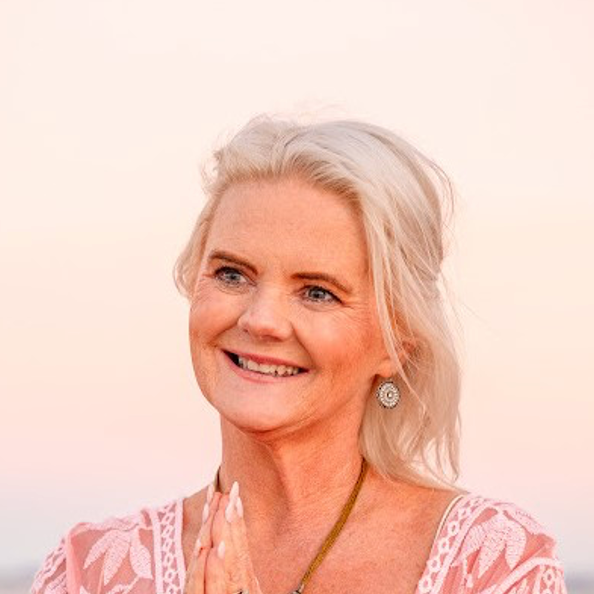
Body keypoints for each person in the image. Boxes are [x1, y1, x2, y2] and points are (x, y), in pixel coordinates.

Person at [31, 117, 567, 594]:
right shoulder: (90, 572)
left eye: (317, 292)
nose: (260, 320)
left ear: (396, 341)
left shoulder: (492, 566)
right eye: (232, 274)